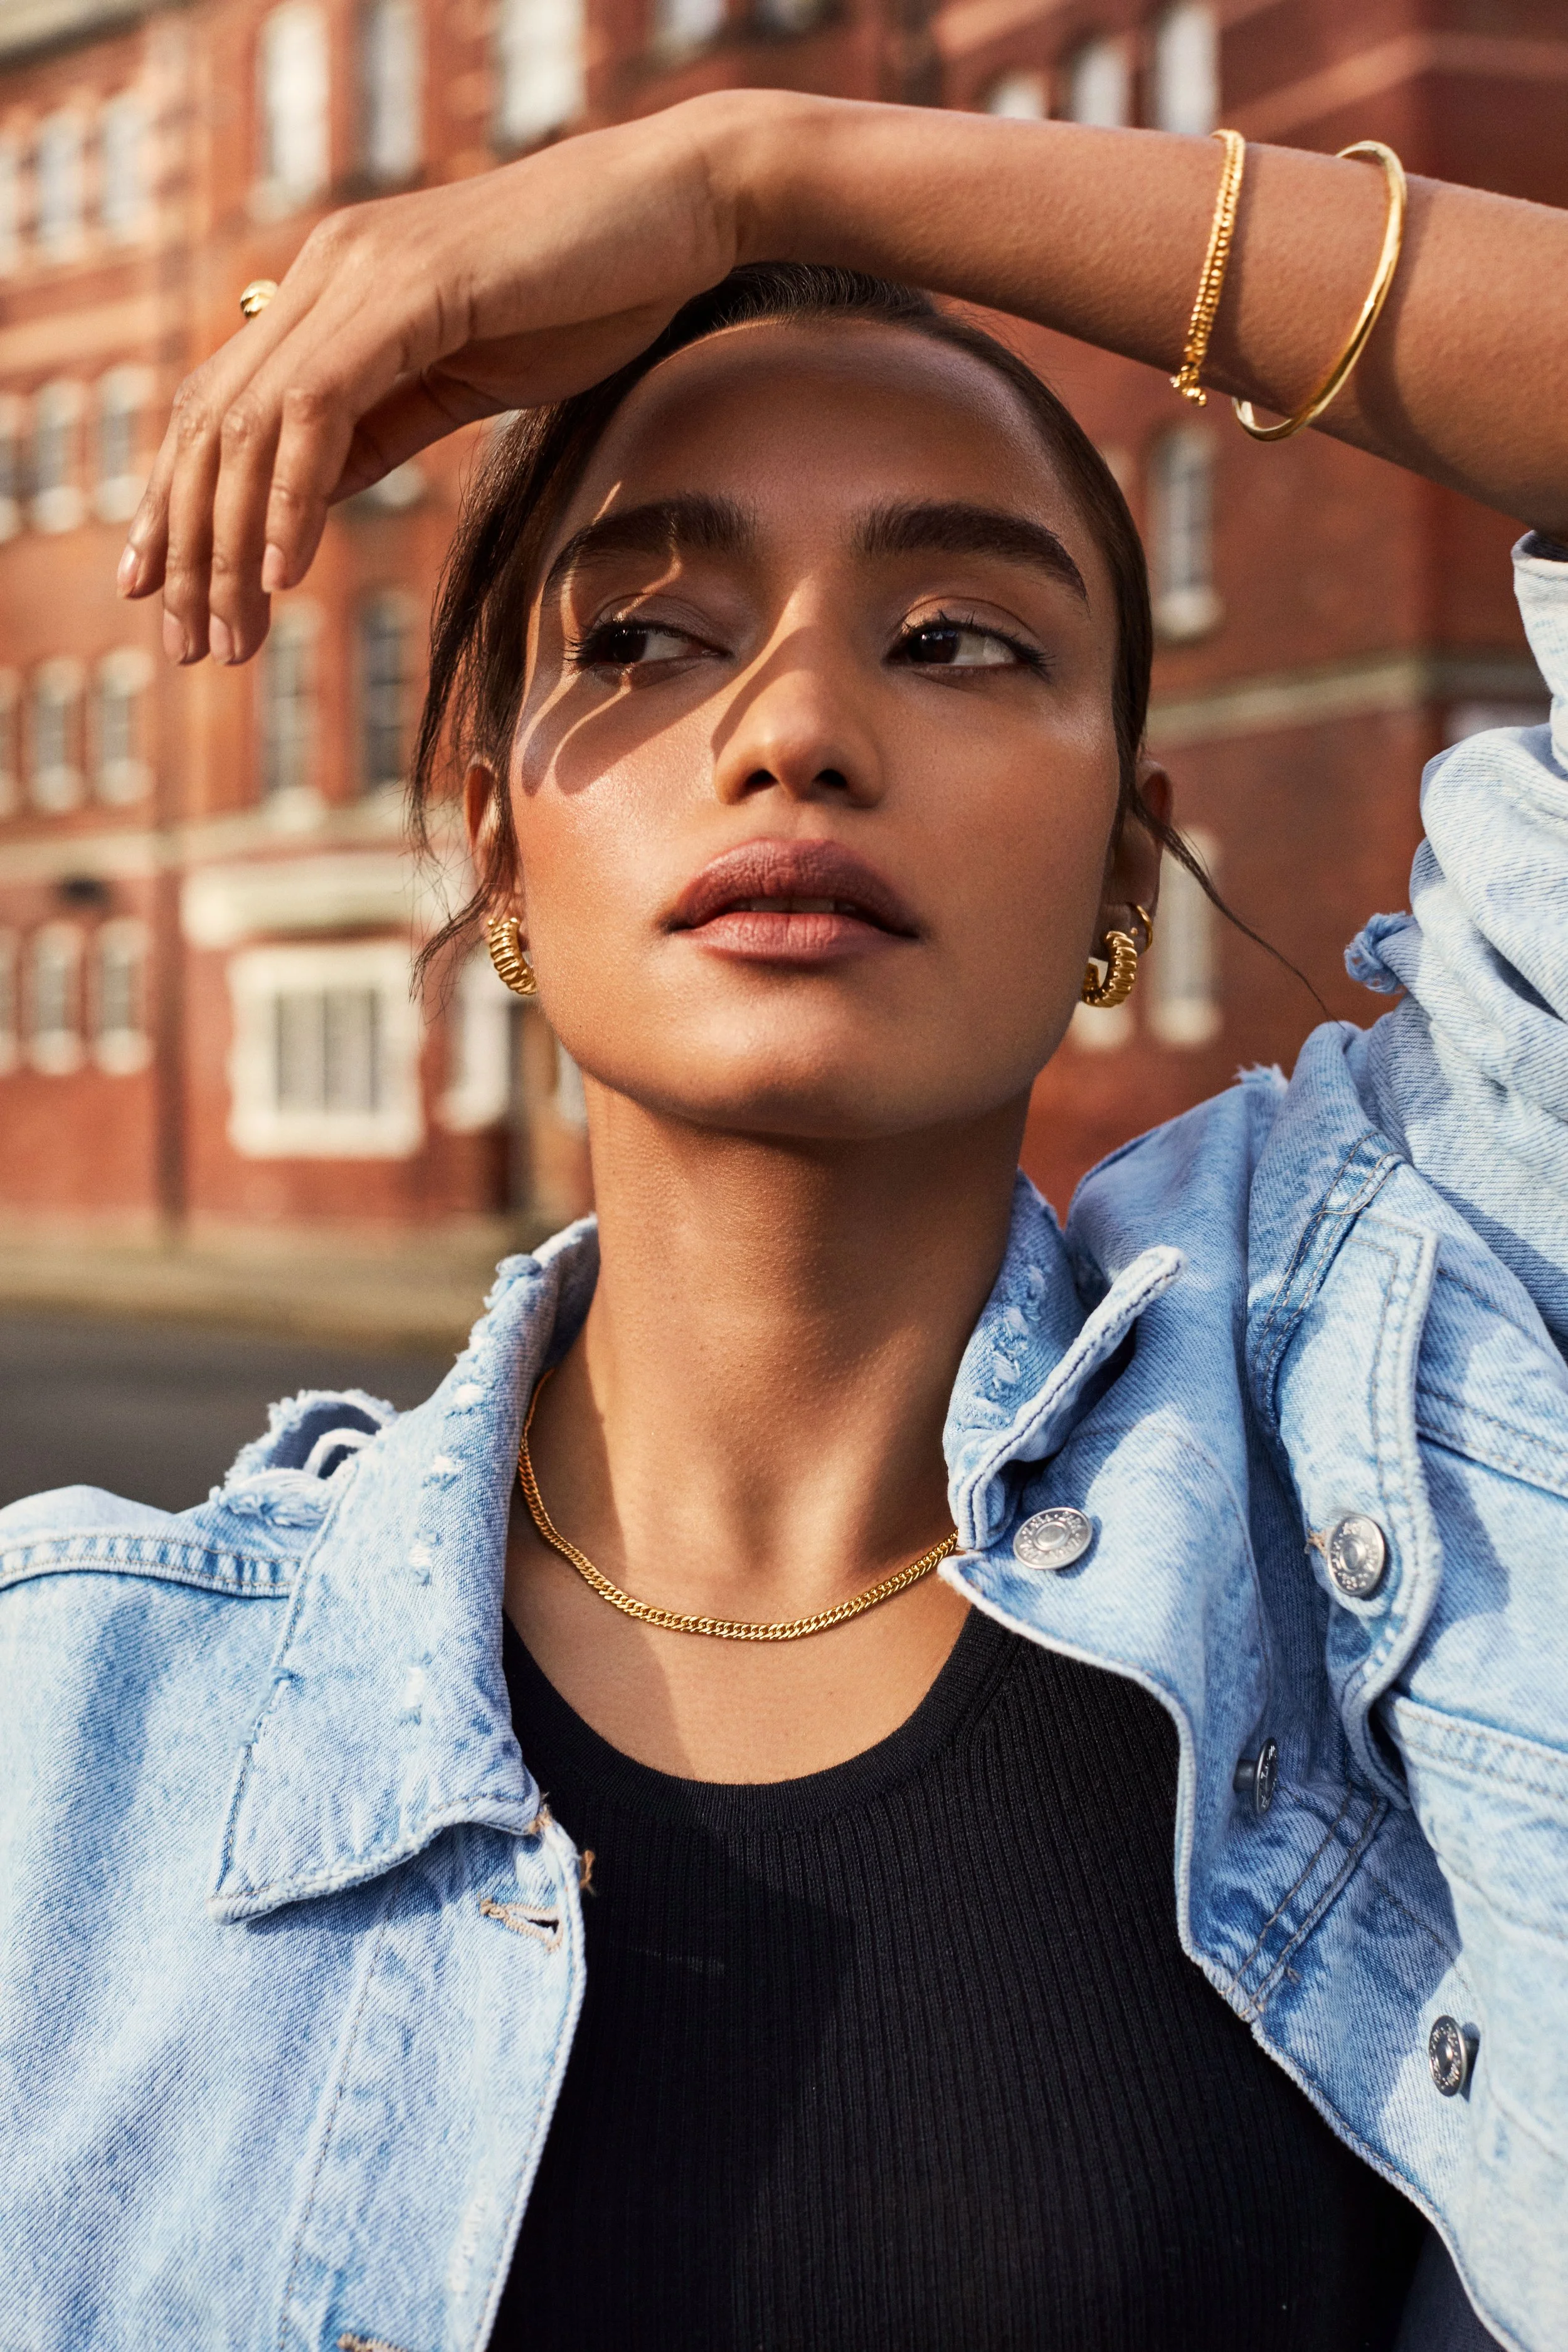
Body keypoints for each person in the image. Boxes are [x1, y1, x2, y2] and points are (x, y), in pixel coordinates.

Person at [3, 89, 1565, 2352]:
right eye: (645, 635)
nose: (798, 726)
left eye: (954, 640)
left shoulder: (1389, 1455)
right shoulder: (73, 1740)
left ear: (1126, 878)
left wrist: (770, 170)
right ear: (493, 854)